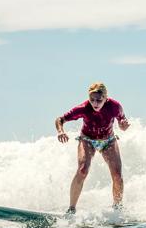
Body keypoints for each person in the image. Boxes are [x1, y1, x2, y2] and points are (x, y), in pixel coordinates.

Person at [55, 82, 130, 214]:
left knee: (117, 175)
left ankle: (117, 209)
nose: (95, 103)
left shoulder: (115, 106)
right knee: (83, 170)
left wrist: (123, 126)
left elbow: (122, 124)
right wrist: (61, 131)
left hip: (108, 141)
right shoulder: (83, 108)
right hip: (87, 140)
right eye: (92, 100)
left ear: (106, 98)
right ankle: (71, 209)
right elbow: (60, 119)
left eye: (99, 100)